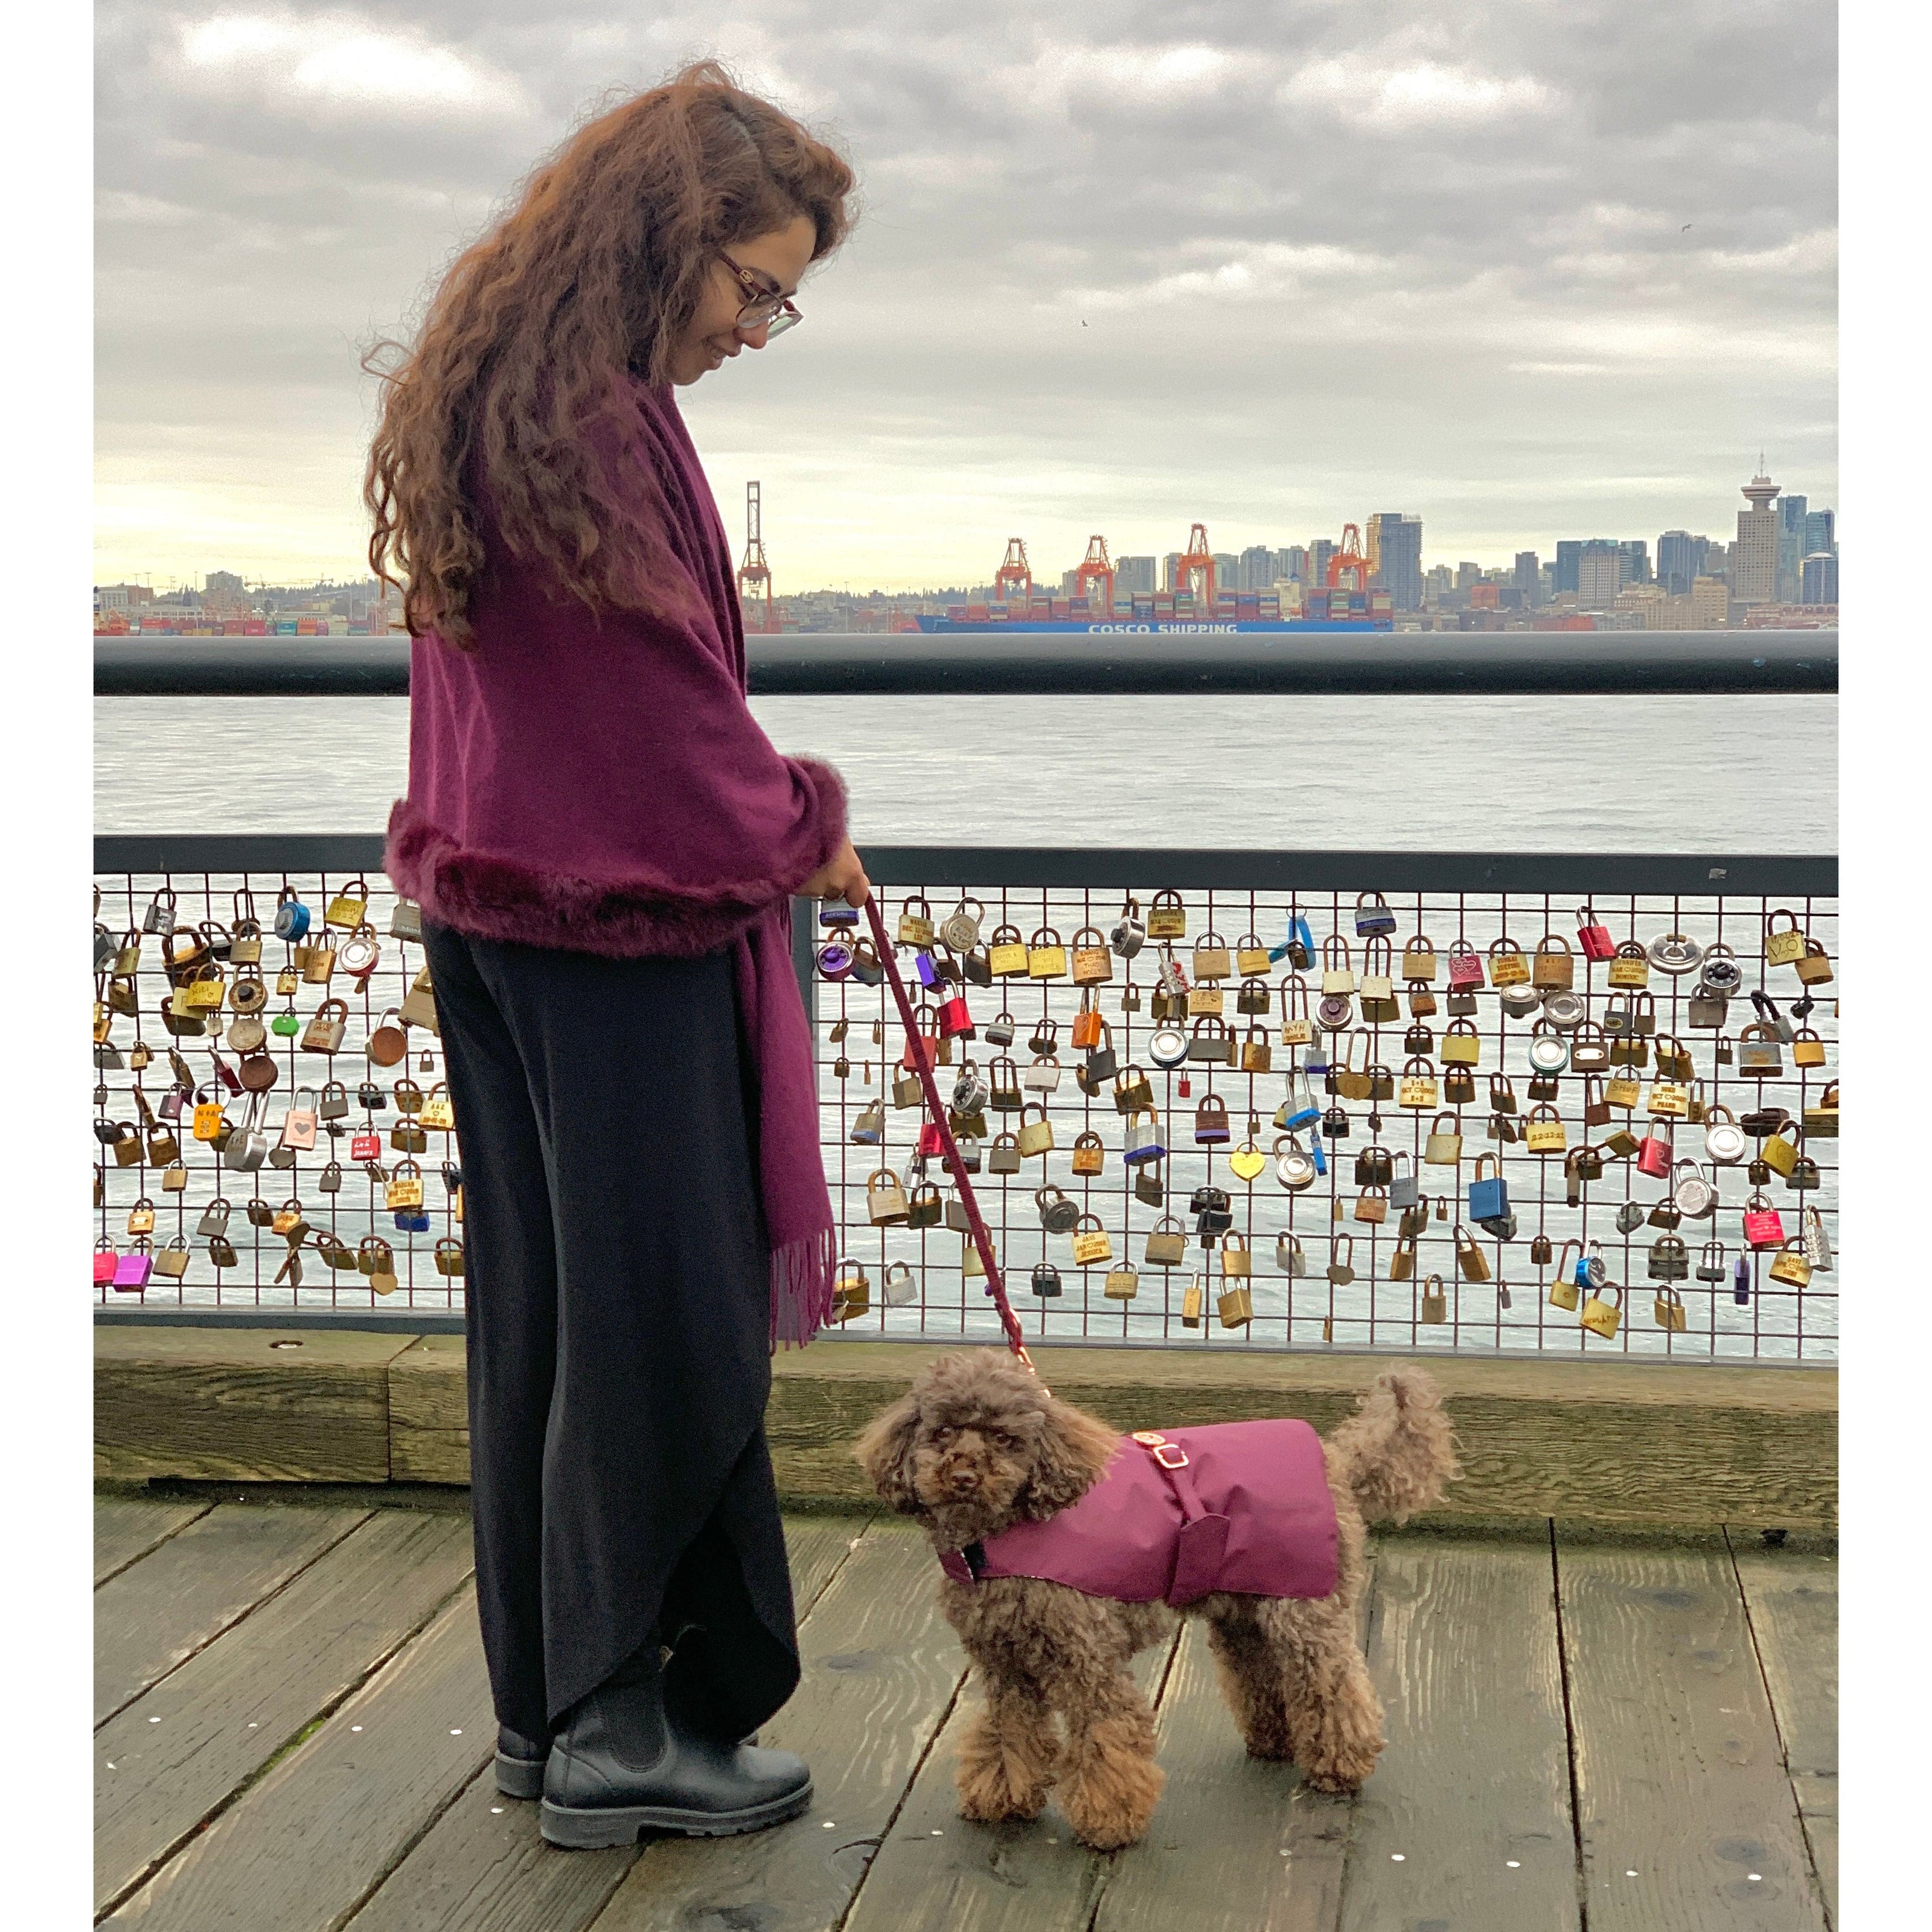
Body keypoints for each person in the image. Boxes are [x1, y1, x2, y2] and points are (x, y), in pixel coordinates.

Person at [363, 63, 869, 1850]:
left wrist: (775, 806)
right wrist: (807, 811)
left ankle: (558, 1713)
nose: (761, 324)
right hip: (610, 932)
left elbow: (599, 702)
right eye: (756, 285)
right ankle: (607, 1728)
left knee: (555, 1321)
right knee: (659, 1331)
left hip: (504, 919)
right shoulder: (586, 417)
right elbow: (658, 724)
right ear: (673, 243)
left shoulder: (508, 383)